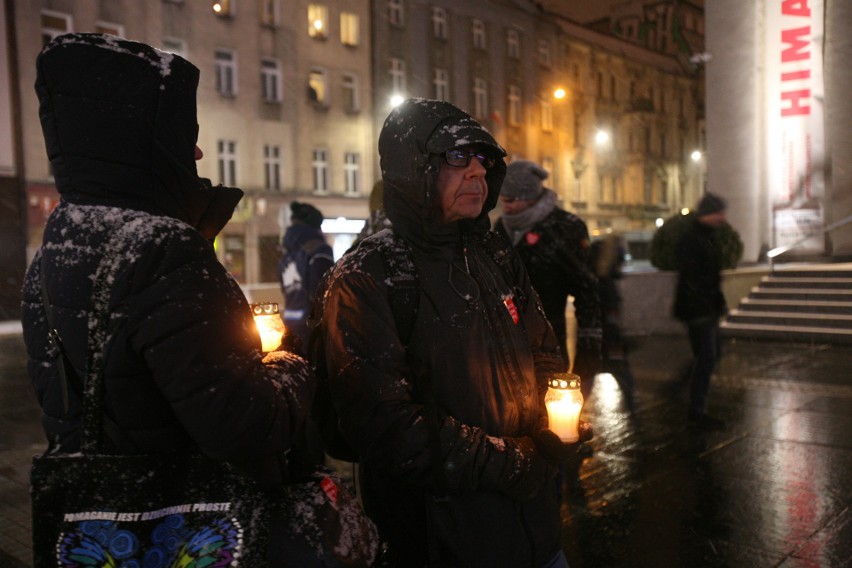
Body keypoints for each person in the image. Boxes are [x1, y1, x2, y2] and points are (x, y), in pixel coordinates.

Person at [21, 33, 316, 561]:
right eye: (183, 131)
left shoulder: (60, 241)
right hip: (187, 527)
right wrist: (288, 362)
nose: (197, 150)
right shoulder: (161, 249)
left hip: (101, 525)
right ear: (139, 139)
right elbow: (249, 424)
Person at [315, 98, 589, 567]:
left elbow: (542, 349)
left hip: (537, 535)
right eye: (457, 157)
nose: (478, 173)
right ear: (413, 169)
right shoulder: (370, 274)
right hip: (444, 542)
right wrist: (508, 463)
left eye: (483, 160)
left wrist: (558, 416)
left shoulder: (493, 254)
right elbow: (382, 425)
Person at [493, 160, 602, 398]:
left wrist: (588, 353)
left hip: (548, 342)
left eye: (511, 200)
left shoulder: (566, 227)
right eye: (503, 200)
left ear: (530, 196)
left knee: (548, 411)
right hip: (506, 345)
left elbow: (587, 290)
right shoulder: (501, 228)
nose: (506, 208)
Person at [672, 192, 729, 429]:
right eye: (718, 213)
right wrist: (703, 303)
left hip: (707, 307)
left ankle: (683, 386)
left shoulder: (708, 237)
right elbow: (692, 277)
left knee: (710, 355)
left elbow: (711, 276)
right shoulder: (693, 239)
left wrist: (718, 301)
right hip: (697, 310)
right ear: (708, 214)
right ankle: (696, 410)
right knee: (707, 357)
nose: (722, 218)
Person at [279, 201, 335, 354]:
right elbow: (323, 292)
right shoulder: (319, 250)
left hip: (290, 325)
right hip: (312, 329)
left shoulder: (286, 256)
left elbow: (286, 290)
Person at [590, 234, 636, 411]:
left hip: (599, 335)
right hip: (608, 336)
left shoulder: (599, 279)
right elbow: (610, 314)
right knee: (618, 368)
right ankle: (632, 406)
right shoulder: (606, 284)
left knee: (588, 370)